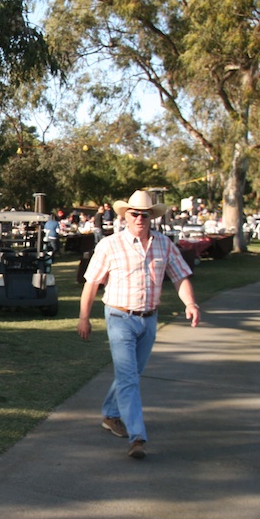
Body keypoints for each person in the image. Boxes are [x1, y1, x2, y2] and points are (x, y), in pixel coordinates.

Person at [77, 190, 200, 460]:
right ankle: (138, 437)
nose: (139, 219)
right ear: (125, 216)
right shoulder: (110, 245)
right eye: (134, 214)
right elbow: (92, 283)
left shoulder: (164, 244)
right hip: (119, 317)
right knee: (129, 377)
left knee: (131, 373)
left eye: (145, 215)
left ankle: (110, 413)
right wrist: (84, 317)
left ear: (151, 217)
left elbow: (180, 277)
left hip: (149, 319)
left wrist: (190, 304)